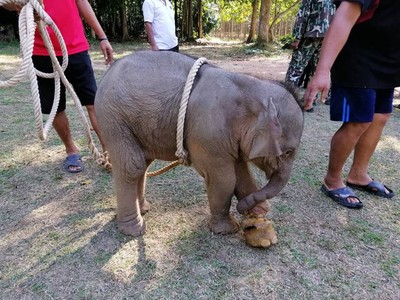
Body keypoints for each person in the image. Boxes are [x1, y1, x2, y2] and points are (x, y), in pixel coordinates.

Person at [304, 0, 399, 208]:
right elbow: (343, 18)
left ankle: (358, 174)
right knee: (358, 121)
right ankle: (332, 180)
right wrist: (322, 71)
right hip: (359, 58)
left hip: (389, 61)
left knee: (380, 117)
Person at [6, 0, 114, 173]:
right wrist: (19, 6)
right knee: (55, 107)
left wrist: (102, 37)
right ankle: (71, 150)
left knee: (94, 102)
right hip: (41, 51)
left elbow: (82, 2)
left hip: (75, 46)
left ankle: (109, 152)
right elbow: (7, 2)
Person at [285, 0, 335, 111]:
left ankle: (285, 97)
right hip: (329, 35)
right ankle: (310, 102)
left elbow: (303, 15)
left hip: (311, 34)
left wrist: (297, 37)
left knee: (296, 67)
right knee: (318, 68)